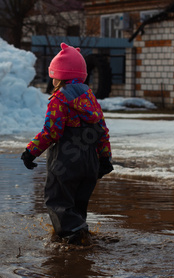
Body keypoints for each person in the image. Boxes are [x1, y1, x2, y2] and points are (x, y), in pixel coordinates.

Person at [21, 43, 113, 246]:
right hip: (89, 162)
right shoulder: (90, 98)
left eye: (53, 75)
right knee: (78, 204)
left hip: (66, 161)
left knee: (57, 198)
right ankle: (81, 236)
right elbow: (102, 130)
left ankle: (73, 239)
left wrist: (31, 151)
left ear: (59, 76)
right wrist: (105, 158)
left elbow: (51, 131)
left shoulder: (59, 99)